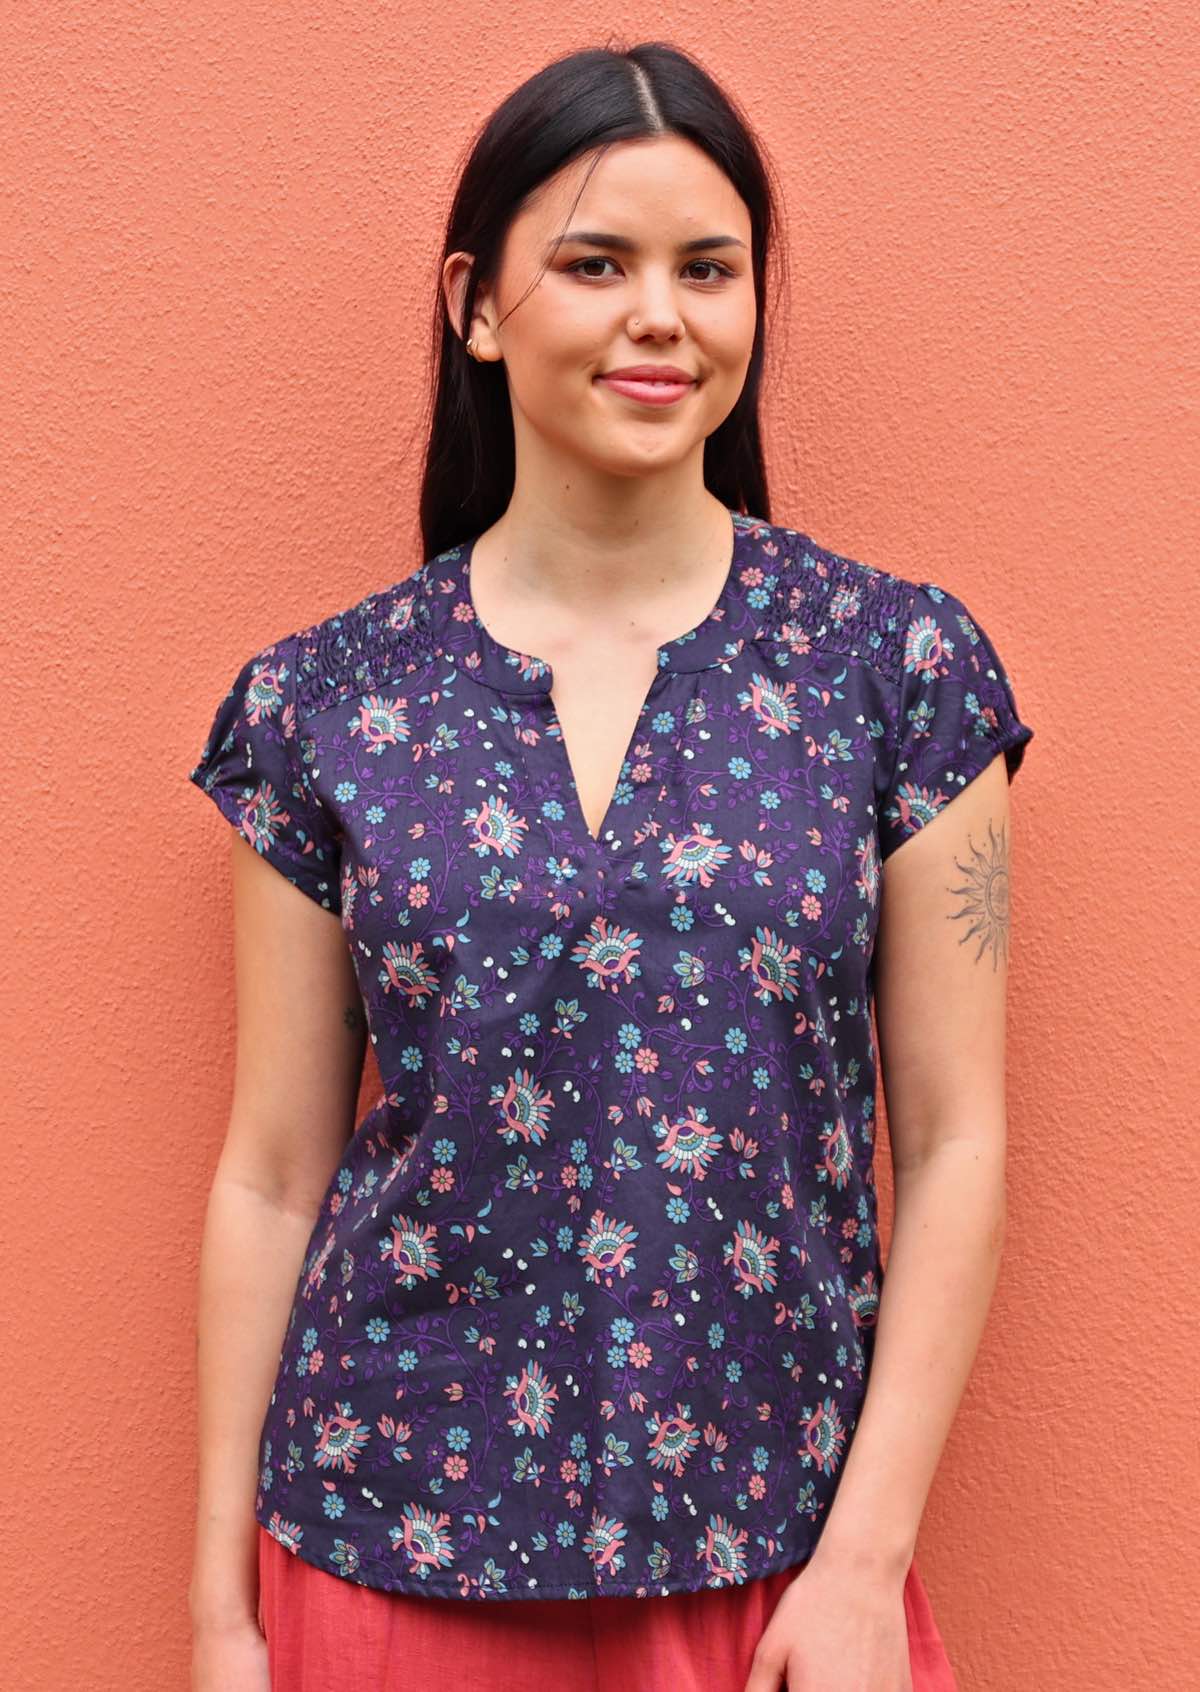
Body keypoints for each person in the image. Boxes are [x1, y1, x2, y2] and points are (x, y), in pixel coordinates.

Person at [186, 40, 1033, 1692]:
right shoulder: (322, 706)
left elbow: (953, 1142)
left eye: (708, 270)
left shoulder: (900, 673)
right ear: (476, 304)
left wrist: (866, 1562)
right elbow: (272, 1175)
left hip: (774, 1564)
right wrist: (222, 1615)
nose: (663, 316)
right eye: (596, 263)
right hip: (386, 1545)